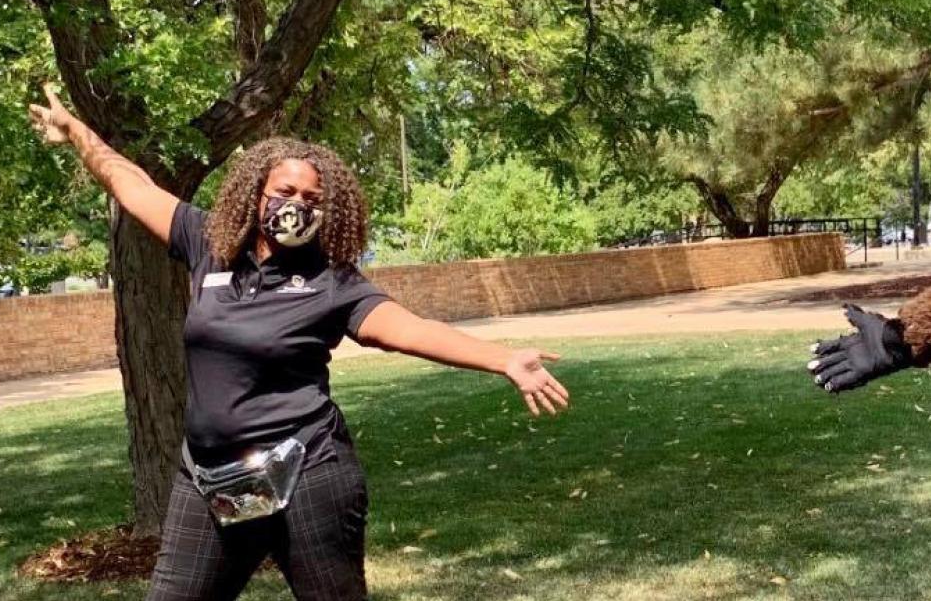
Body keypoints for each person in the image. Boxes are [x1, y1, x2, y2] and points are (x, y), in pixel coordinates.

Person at [28, 83, 570, 600]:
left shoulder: (331, 279)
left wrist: (503, 360)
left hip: (307, 471)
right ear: (254, 194)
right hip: (208, 476)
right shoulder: (208, 244)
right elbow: (133, 186)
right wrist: (77, 132)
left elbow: (407, 330)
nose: (297, 205)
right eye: (284, 192)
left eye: (312, 198)